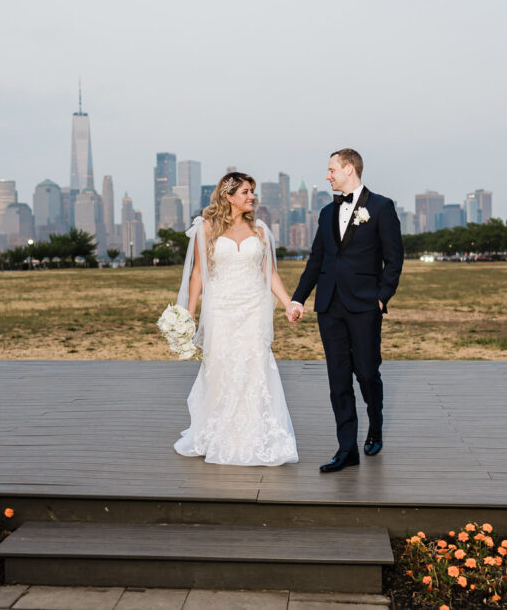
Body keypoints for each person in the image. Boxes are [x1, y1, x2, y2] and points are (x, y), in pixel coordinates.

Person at [287, 149, 404, 473]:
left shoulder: (381, 207)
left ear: (348, 169)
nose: (327, 175)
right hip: (329, 307)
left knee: (367, 372)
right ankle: (346, 448)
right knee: (338, 379)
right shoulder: (326, 213)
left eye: (331, 169)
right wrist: (298, 299)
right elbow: (317, 261)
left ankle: (376, 426)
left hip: (365, 304)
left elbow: (394, 259)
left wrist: (382, 297)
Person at [173, 172, 299, 466]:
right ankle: (217, 432)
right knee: (222, 368)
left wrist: (288, 302)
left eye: (252, 192)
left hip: (254, 308)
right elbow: (197, 274)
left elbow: (270, 273)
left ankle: (255, 435)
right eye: (245, 192)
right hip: (222, 310)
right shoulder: (206, 229)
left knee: (255, 366)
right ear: (228, 197)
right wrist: (189, 314)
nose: (252, 197)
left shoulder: (262, 232)